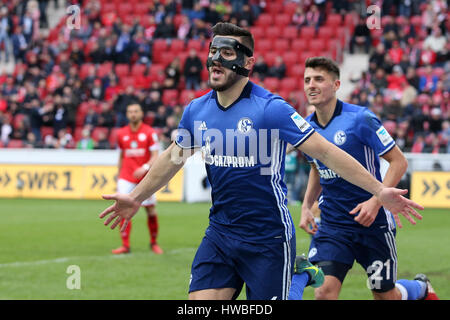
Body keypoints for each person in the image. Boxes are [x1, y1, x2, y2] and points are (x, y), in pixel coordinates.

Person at [99, 23, 423, 300]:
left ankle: (297, 277)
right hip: (220, 233)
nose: (216, 59)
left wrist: (379, 191)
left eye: (227, 53)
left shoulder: (271, 109)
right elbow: (173, 157)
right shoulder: (196, 111)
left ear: (247, 62)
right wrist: (136, 197)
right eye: (213, 51)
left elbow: (325, 152)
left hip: (268, 238)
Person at [298, 57, 438, 300]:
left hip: (372, 224)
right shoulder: (306, 127)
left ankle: (420, 287)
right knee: (323, 293)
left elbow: (399, 161)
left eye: (319, 79)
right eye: (307, 80)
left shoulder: (361, 119)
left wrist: (376, 202)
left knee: (385, 295)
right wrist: (306, 206)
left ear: (336, 84)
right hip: (333, 224)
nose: (311, 85)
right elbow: (316, 168)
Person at [112, 102, 163, 255]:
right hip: (126, 177)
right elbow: (121, 156)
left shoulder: (149, 132)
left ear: (141, 113)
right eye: (130, 111)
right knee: (122, 208)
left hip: (144, 178)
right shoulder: (121, 133)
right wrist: (118, 174)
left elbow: (155, 156)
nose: (133, 114)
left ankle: (154, 242)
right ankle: (125, 245)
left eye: (136, 111)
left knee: (150, 210)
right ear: (127, 115)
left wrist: (145, 168)